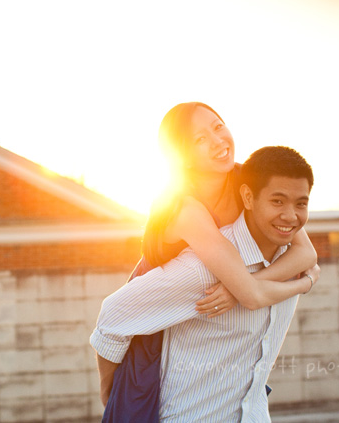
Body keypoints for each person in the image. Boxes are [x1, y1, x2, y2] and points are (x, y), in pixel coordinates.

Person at [92, 103, 319, 421]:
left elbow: (306, 253)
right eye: (199, 139)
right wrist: (109, 386)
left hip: (218, 278)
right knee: (131, 400)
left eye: (218, 126)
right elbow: (251, 295)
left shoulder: (245, 179)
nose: (217, 141)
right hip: (157, 305)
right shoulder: (184, 206)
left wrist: (243, 282)